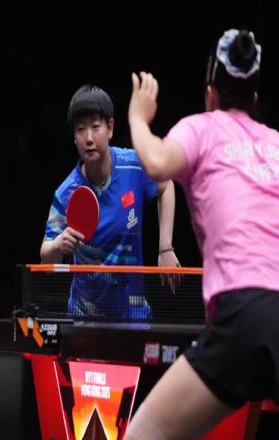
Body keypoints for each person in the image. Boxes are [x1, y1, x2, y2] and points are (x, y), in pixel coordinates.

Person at [125, 29, 279, 439]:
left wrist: (138, 117)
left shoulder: (202, 129)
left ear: (211, 93)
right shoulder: (276, 144)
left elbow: (157, 162)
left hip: (242, 315)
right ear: (255, 97)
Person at [40, 84, 180, 321]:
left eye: (96, 127)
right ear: (74, 137)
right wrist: (57, 246)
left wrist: (165, 247)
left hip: (133, 313)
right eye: (81, 129)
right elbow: (46, 259)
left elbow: (166, 184)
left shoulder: (132, 166)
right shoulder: (66, 193)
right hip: (84, 317)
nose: (89, 138)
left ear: (110, 128)